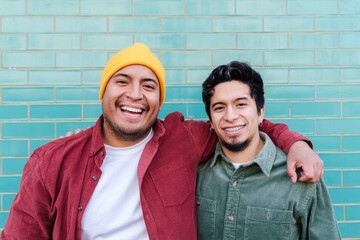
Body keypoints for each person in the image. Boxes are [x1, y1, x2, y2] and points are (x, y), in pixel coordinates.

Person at [1, 43, 323, 240]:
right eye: (122, 81)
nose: (135, 94)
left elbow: (241, 124)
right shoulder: (52, 162)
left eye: (149, 85)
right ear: (104, 91)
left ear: (159, 101)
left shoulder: (183, 139)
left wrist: (294, 143)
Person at [196, 61, 340, 239]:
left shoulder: (301, 176)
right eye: (219, 108)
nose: (230, 116)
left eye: (241, 104)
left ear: (260, 113)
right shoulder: (196, 174)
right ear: (210, 121)